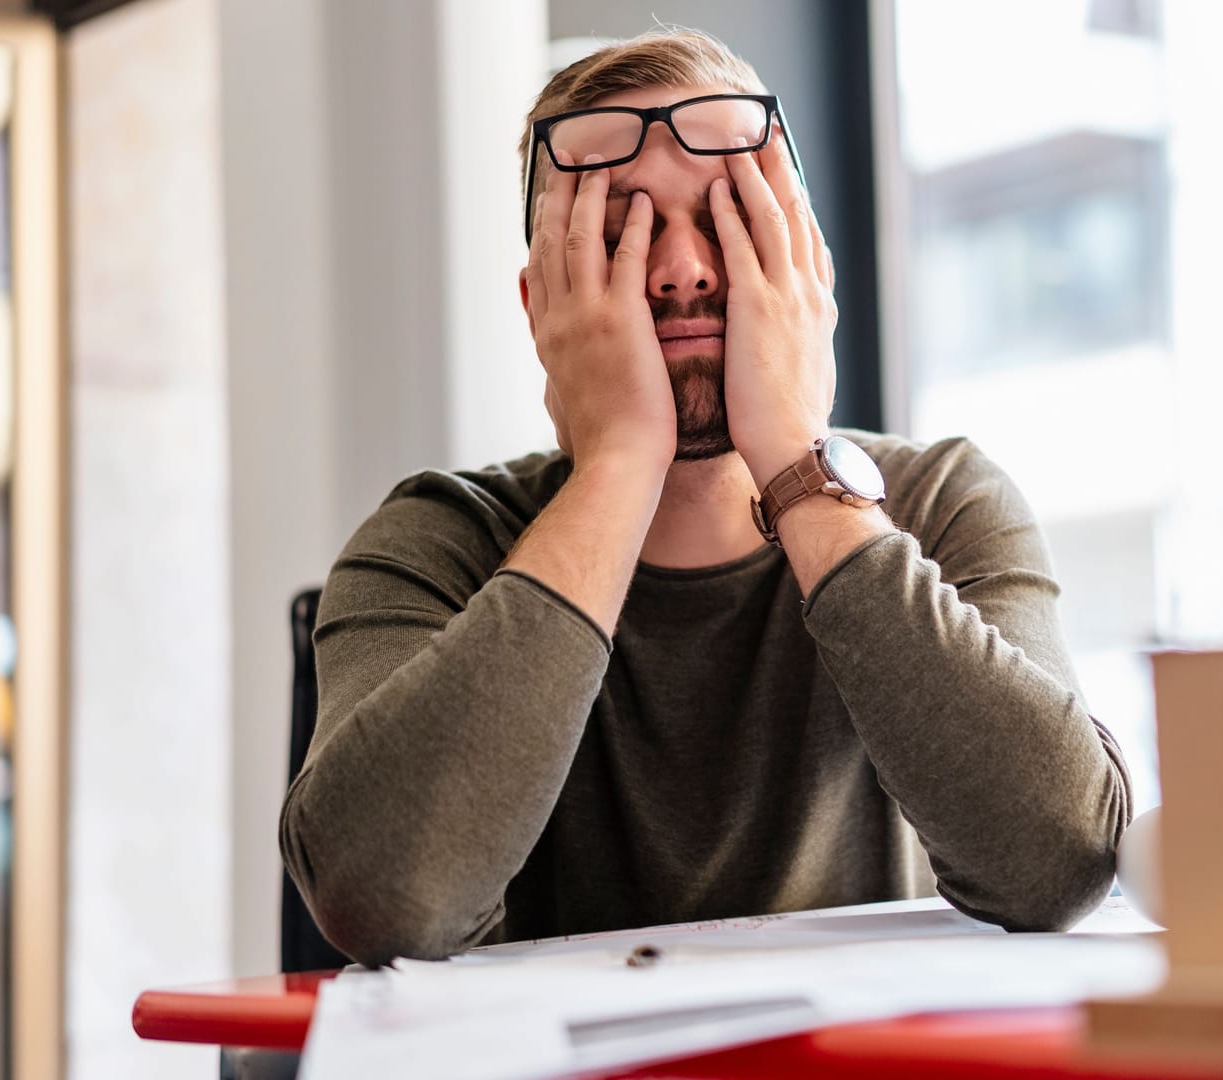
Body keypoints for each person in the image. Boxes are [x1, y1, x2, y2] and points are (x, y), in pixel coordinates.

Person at [279, 27, 1132, 966]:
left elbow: (1057, 864)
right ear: (540, 308)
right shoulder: (436, 538)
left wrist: (797, 464)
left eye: (729, 218)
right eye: (616, 236)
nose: (681, 269)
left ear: (808, 269)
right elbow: (385, 898)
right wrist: (620, 462)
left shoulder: (941, 503)